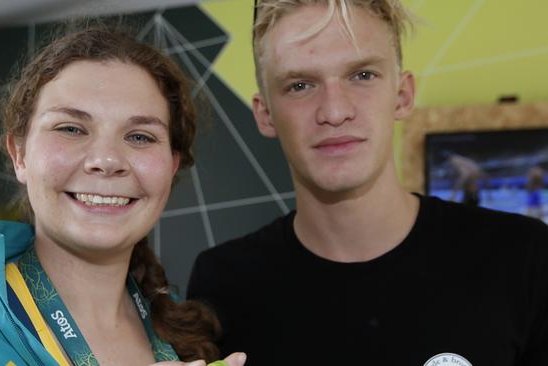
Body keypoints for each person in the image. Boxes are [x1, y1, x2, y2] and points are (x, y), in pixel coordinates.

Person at [187, 1, 548, 365]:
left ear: (403, 95)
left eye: (362, 76)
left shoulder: (523, 257)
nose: (335, 111)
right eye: (299, 85)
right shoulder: (222, 283)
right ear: (265, 115)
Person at [0, 27, 246, 366]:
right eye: (71, 129)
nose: (107, 161)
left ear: (171, 166)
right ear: (19, 154)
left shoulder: (188, 337)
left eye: (140, 137)